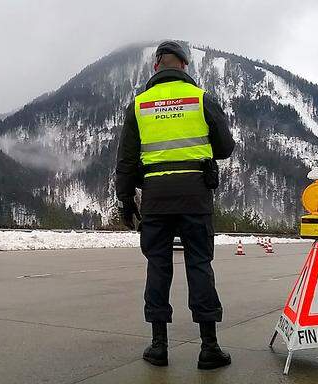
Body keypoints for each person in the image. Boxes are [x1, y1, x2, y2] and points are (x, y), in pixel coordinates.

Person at [115, 41, 235, 369]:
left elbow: (125, 161)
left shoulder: (138, 106)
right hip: (195, 197)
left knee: (158, 266)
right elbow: (225, 148)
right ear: (183, 66)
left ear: (156, 67)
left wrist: (124, 200)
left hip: (155, 198)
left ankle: (158, 347)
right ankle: (209, 347)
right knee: (199, 265)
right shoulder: (201, 99)